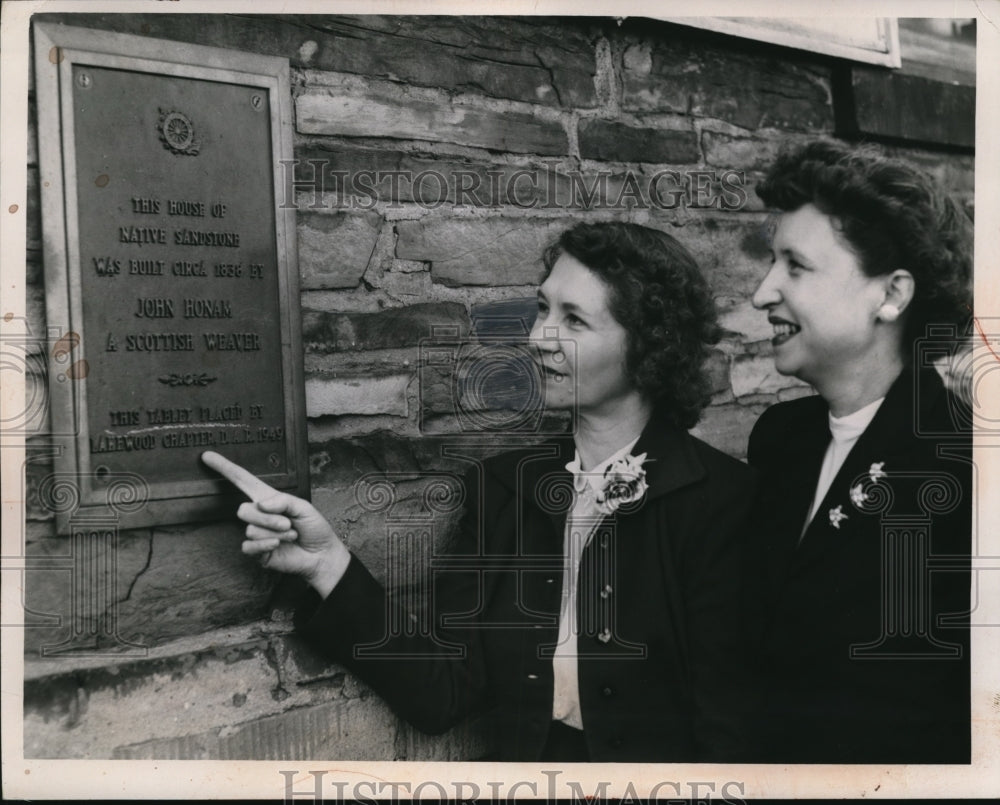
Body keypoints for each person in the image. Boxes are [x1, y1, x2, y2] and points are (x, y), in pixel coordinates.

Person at [203, 221, 757, 762]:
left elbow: (732, 733)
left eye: (575, 320)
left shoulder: (722, 502)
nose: (539, 338)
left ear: (648, 346)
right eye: (543, 308)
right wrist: (327, 564)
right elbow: (443, 690)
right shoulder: (503, 491)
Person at [745, 140, 973, 763]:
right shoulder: (780, 437)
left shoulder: (966, 464)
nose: (763, 293)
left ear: (892, 294)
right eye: (772, 263)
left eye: (796, 266)